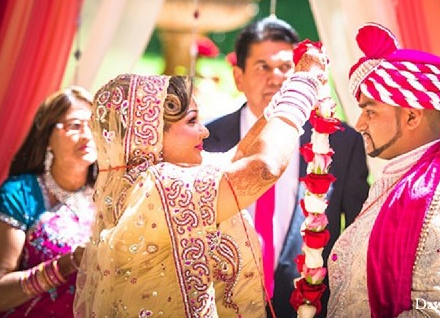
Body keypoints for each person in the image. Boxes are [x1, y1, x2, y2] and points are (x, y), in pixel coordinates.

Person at [73, 44, 328, 317]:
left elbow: (238, 155)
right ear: (150, 135)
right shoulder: (160, 186)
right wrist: (304, 84)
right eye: (192, 121)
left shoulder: (139, 179)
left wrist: (284, 94)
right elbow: (263, 168)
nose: (205, 132)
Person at [204, 16, 369, 317]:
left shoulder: (341, 143)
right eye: (263, 67)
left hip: (307, 306)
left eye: (286, 68)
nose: (276, 78)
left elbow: (358, 237)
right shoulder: (206, 140)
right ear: (238, 77)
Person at [328, 22, 440, 317]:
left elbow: (439, 313)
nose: (360, 124)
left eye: (370, 110)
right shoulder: (402, 181)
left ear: (412, 116)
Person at [0, 86, 97, 317]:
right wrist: (64, 266)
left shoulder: (105, 197)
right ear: (48, 138)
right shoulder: (19, 194)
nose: (87, 135)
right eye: (75, 126)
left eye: (94, 125)